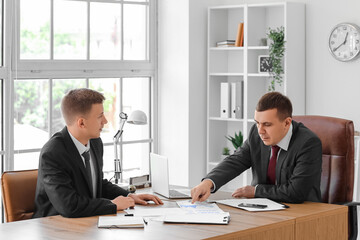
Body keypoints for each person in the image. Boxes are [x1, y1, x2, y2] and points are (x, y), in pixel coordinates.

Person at [33, 88, 162, 218]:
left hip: (87, 223)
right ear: (82, 123)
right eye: (100, 116)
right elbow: (69, 206)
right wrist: (113, 205)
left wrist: (129, 196)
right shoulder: (52, 153)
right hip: (55, 227)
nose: (105, 121)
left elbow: (98, 184)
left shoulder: (95, 142)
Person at [191, 92, 322, 204]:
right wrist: (208, 183)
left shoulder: (308, 143)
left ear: (287, 123)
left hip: (301, 212)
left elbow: (296, 192)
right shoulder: (256, 133)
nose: (260, 131)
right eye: (257, 123)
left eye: (267, 124)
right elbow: (236, 160)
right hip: (261, 208)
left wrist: (256, 191)